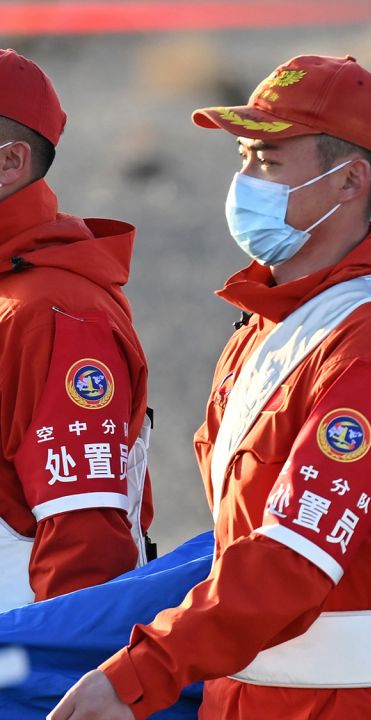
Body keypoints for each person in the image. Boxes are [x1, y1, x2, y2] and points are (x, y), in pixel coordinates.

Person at [50, 54, 371, 719]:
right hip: (250, 694)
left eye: (269, 160)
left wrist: (143, 672)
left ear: (349, 180)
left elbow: (293, 556)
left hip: (356, 703)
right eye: (243, 156)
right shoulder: (270, 326)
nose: (244, 180)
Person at [0, 49, 153, 612]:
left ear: (9, 162)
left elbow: (86, 554)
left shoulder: (54, 311)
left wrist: (49, 661)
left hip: (21, 652)